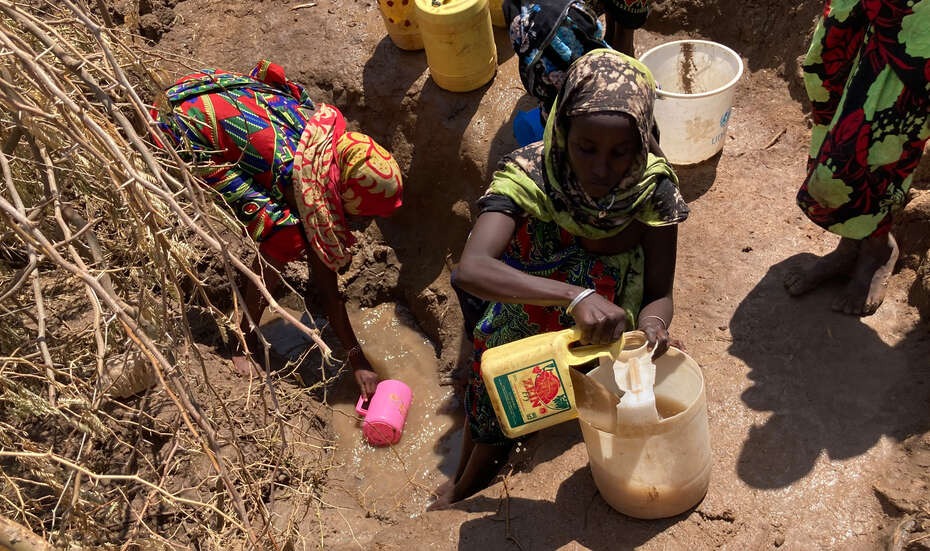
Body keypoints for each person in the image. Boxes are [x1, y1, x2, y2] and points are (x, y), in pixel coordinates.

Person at [431, 50, 689, 509]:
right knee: (494, 382)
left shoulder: (654, 191)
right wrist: (576, 295)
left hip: (601, 324)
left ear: (643, 142)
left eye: (620, 152)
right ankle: (466, 483)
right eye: (586, 148)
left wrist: (653, 328)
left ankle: (471, 479)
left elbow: (659, 294)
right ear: (564, 132)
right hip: (530, 300)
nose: (601, 169)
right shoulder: (531, 172)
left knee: (537, 398)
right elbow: (472, 268)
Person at [151, 60, 403, 398]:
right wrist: (356, 355)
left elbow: (322, 250)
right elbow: (321, 266)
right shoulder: (291, 174)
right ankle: (243, 338)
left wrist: (353, 354)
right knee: (284, 234)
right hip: (177, 126)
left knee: (298, 228)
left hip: (193, 91)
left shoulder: (325, 143)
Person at [784, 0, 929, 316]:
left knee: (882, 140)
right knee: (832, 97)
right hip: (868, 8)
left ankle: (877, 249)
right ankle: (850, 244)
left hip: (917, 21)